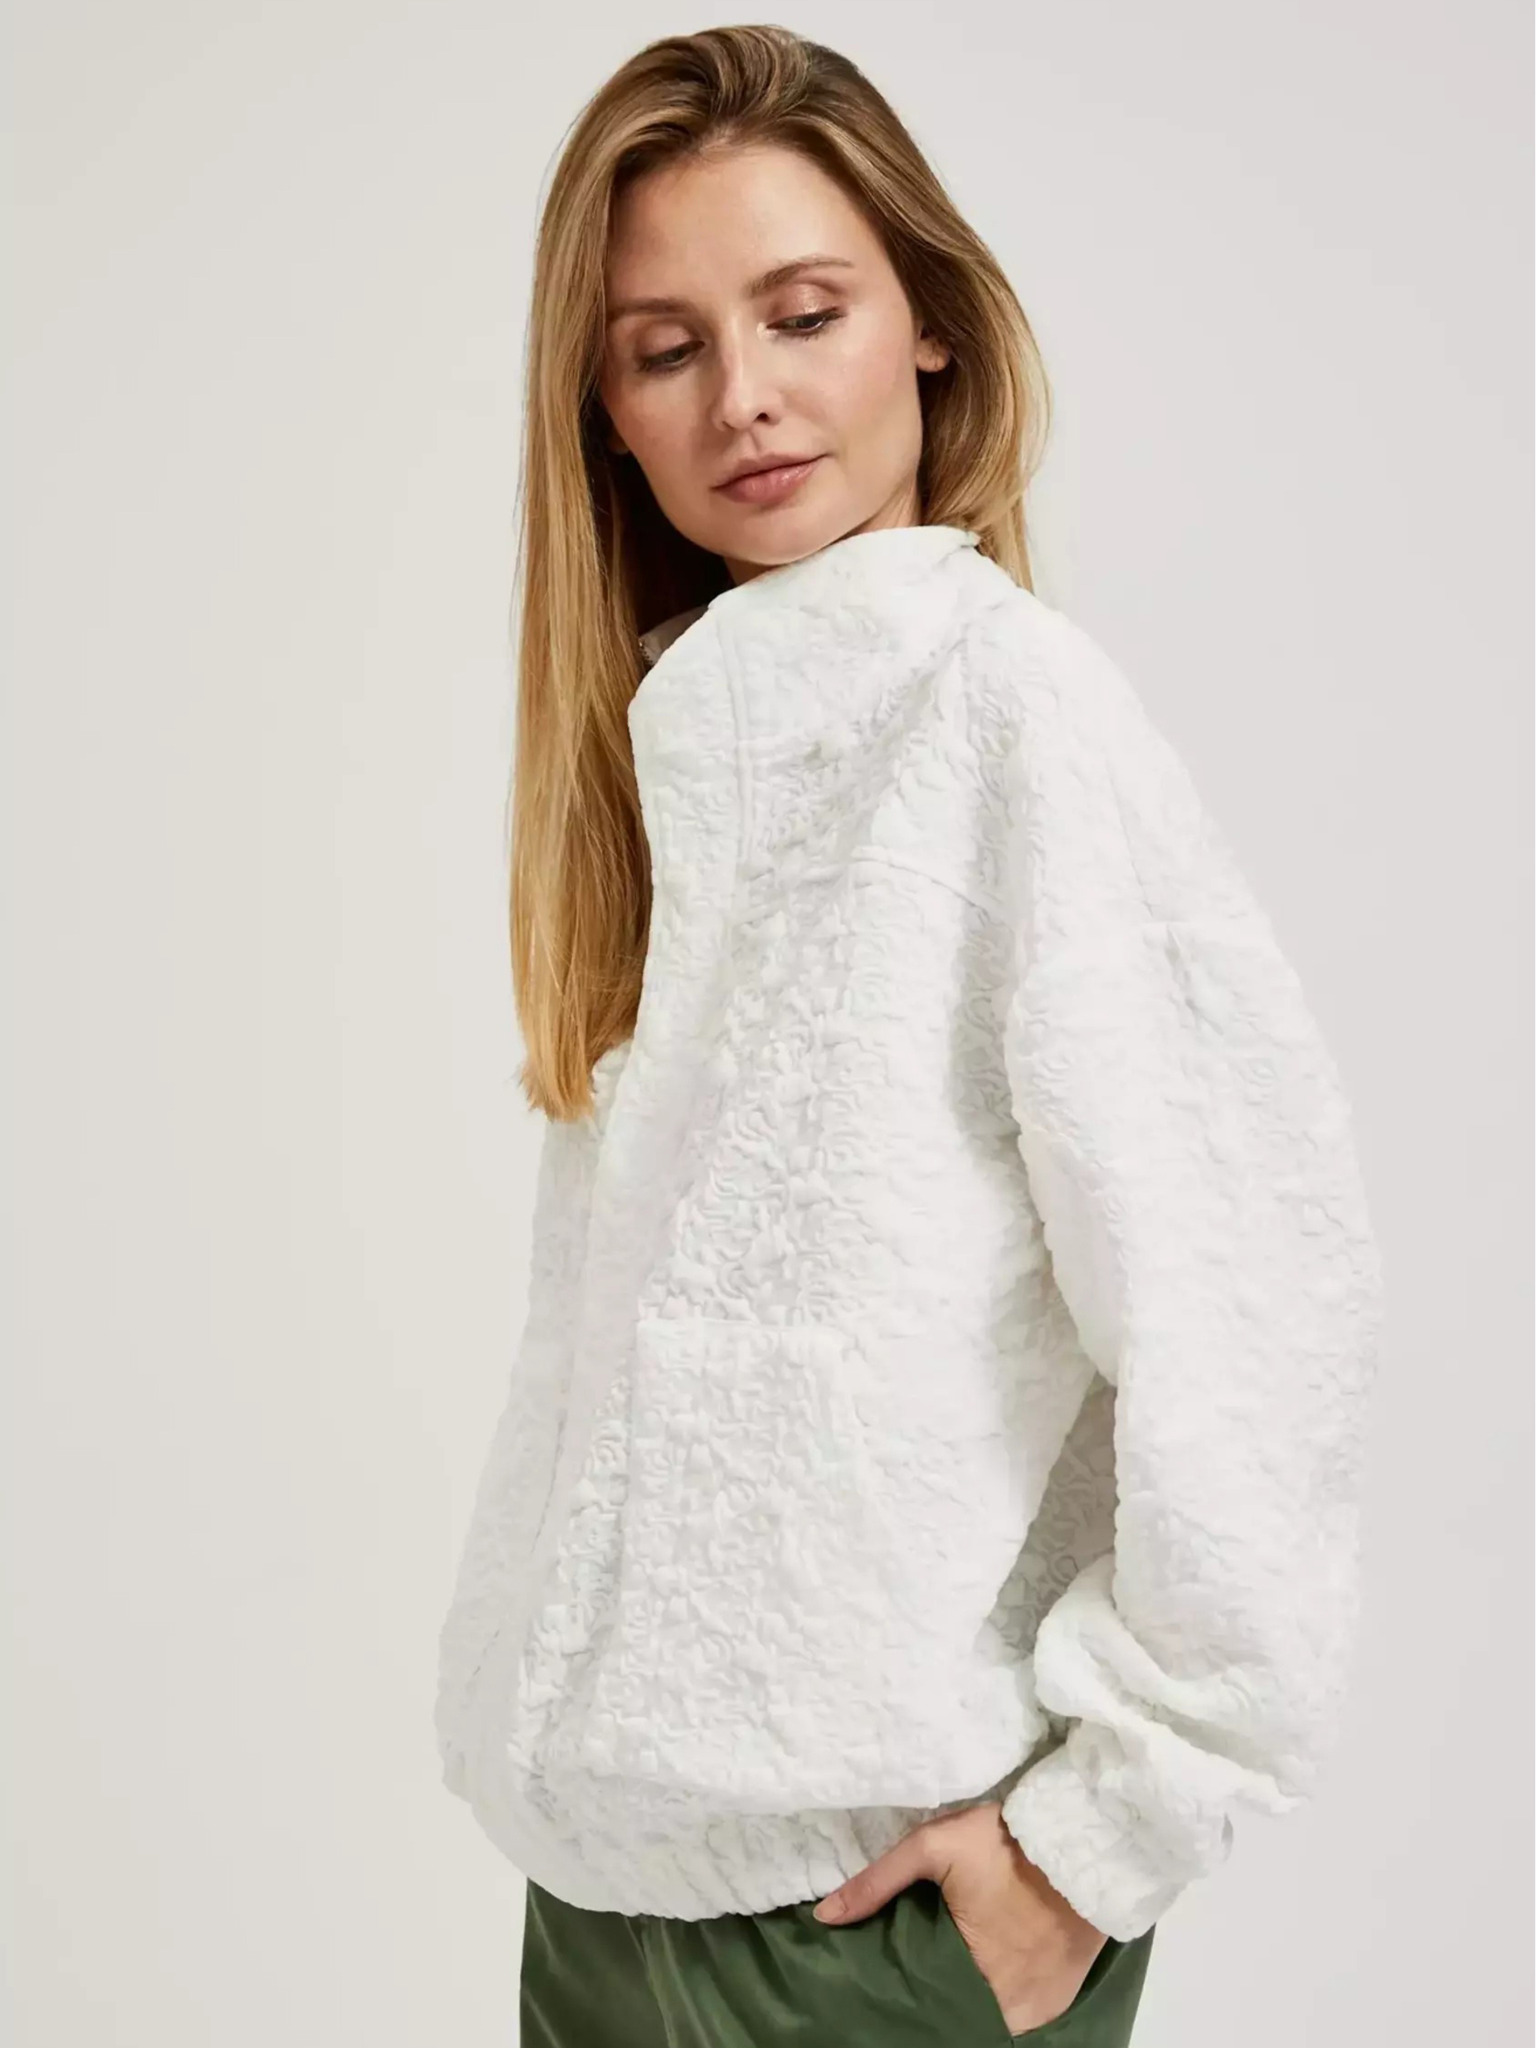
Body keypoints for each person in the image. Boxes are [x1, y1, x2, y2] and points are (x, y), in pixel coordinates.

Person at [433, 25, 1385, 2047]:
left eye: (805, 314)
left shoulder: (1009, 719)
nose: (746, 396)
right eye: (665, 348)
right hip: (603, 1908)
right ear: (602, 409)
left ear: (930, 326)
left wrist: (1103, 1836)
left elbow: (1254, 1300)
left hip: (872, 1936)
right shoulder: (677, 768)